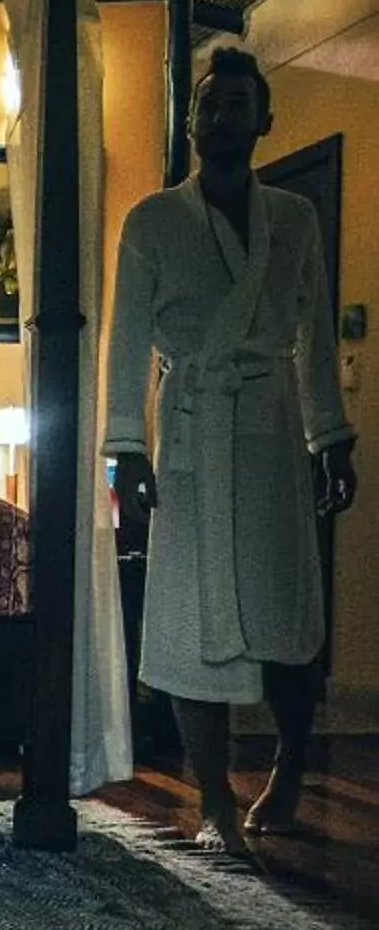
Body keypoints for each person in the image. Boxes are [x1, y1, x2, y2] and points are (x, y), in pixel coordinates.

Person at [108, 48, 358, 855]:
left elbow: (313, 334)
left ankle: (287, 764)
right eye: (210, 105)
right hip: (190, 433)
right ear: (192, 122)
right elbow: (128, 345)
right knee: (187, 612)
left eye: (238, 104)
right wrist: (127, 448)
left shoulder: (295, 219)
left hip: (274, 435)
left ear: (264, 119)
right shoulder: (152, 221)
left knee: (284, 610)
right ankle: (213, 795)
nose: (222, 118)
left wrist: (329, 436)